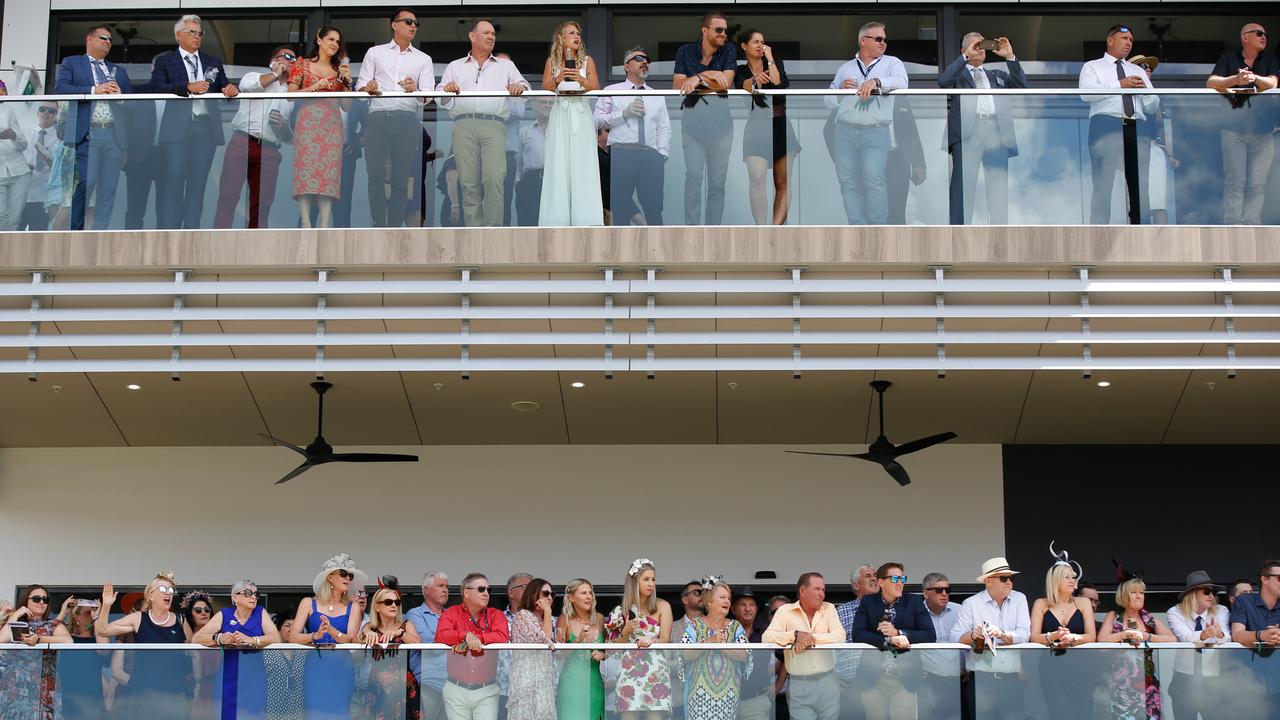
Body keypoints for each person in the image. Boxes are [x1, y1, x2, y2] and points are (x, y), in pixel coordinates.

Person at [438, 20, 529, 227]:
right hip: (463, 125)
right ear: (472, 36)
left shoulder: (506, 65)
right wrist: (447, 89)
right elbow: (440, 98)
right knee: (468, 182)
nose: (491, 37)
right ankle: (474, 231)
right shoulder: (455, 66)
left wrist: (518, 87)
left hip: (494, 125)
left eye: (493, 34)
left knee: (494, 178)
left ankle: (492, 231)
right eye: (486, 33)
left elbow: (524, 88)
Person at [151, 14, 238, 229]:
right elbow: (157, 87)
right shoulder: (166, 60)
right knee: (175, 177)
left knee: (198, 183)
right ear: (178, 35)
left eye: (200, 33)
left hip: (205, 128)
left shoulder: (212, 60)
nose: (197, 36)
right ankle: (171, 232)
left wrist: (230, 89)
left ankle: (191, 232)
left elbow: (224, 86)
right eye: (192, 32)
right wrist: (187, 87)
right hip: (177, 128)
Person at [356, 8, 434, 228]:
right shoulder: (375, 52)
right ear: (394, 25)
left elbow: (428, 96)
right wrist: (367, 87)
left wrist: (415, 89)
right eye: (408, 21)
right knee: (375, 174)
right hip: (378, 118)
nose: (413, 26)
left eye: (416, 23)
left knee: (402, 177)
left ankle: (395, 225)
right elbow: (361, 86)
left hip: (406, 119)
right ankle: (378, 222)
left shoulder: (423, 59)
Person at [51, 24, 132, 231]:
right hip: (88, 134)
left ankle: (99, 233)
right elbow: (60, 89)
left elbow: (133, 105)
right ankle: (76, 232)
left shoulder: (118, 71)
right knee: (85, 184)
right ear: (89, 39)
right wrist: (94, 90)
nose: (108, 42)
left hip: (114, 135)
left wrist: (121, 98)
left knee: (108, 189)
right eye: (103, 38)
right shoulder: (73, 63)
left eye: (110, 40)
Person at [937, 33, 1025, 225]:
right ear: (964, 50)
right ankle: (959, 234)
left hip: (996, 133)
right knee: (963, 187)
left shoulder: (997, 75)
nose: (981, 49)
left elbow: (1021, 85)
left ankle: (1000, 235)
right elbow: (943, 82)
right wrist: (965, 57)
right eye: (975, 45)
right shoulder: (959, 74)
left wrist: (1010, 57)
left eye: (982, 45)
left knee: (998, 188)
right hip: (969, 133)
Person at [828, 22, 908, 225]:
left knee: (874, 180)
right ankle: (857, 227)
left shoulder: (892, 63)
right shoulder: (845, 68)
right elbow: (826, 101)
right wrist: (839, 94)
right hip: (844, 131)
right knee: (848, 182)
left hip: (876, 130)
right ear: (864, 41)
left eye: (885, 40)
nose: (884, 43)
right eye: (879, 39)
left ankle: (877, 229)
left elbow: (902, 82)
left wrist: (876, 82)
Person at [1079, 24, 1156, 224]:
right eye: (1124, 38)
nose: (1129, 43)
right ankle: (1099, 229)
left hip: (1137, 126)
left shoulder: (1136, 69)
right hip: (1106, 125)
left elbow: (1153, 105)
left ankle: (1141, 227)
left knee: (1140, 183)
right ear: (1110, 40)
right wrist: (1119, 85)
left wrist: (1144, 93)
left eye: (1131, 39)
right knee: (1103, 181)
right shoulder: (1092, 66)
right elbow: (1085, 94)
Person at [213, 46, 296, 229]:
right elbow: (249, 86)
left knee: (262, 203)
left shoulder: (293, 92)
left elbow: (291, 138)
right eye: (288, 56)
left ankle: (256, 245)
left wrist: (282, 126)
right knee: (228, 195)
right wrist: (275, 74)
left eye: (295, 59)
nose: (292, 61)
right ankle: (219, 242)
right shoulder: (253, 76)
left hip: (270, 149)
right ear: (273, 60)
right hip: (242, 141)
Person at [1206, 23, 1278, 226]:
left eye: (1265, 33)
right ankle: (1233, 222)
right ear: (1245, 38)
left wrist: (1254, 78)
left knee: (1257, 183)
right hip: (1233, 129)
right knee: (1235, 181)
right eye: (1259, 33)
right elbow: (1212, 82)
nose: (1264, 36)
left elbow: (1273, 83)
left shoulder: (1270, 59)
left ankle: (1252, 222)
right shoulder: (1229, 58)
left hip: (1263, 131)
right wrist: (1235, 79)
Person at [95, 573, 195, 715]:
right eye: (162, 589)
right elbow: (102, 630)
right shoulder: (138, 618)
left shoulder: (181, 620)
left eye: (170, 590)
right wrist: (106, 605)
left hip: (174, 694)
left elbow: (195, 653)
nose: (168, 593)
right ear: (151, 596)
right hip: (143, 694)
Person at [673, 12, 737, 225]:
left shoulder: (728, 50)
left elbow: (724, 85)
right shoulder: (685, 51)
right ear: (705, 30)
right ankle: (692, 231)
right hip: (692, 128)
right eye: (719, 30)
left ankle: (713, 232)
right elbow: (678, 86)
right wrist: (707, 74)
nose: (723, 34)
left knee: (717, 185)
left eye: (725, 30)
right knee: (693, 179)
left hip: (722, 129)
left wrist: (696, 80)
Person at [537, 20, 603, 227]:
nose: (577, 37)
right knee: (559, 160)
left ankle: (586, 219)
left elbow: (597, 87)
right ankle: (557, 219)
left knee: (583, 161)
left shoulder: (587, 61)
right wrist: (559, 78)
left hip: (580, 111)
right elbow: (545, 87)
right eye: (572, 33)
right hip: (561, 112)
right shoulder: (552, 61)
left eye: (578, 34)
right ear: (561, 38)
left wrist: (581, 80)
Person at [595, 47, 668, 226]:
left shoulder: (656, 94)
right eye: (638, 58)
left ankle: (657, 251)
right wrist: (624, 114)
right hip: (621, 154)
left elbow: (664, 127)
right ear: (626, 66)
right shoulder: (611, 90)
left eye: (647, 59)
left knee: (654, 207)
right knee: (619, 207)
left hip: (650, 156)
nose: (645, 62)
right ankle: (623, 252)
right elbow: (596, 121)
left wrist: (662, 154)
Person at [851, 563, 934, 720]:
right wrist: (888, 640)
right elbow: (858, 634)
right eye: (895, 578)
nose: (900, 582)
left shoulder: (914, 601)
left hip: (904, 679)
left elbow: (930, 635)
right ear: (881, 582)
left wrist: (899, 633)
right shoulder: (869, 602)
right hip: (874, 678)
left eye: (902, 578)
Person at [288, 26, 352, 229]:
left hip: (332, 125)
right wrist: (315, 87)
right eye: (331, 39)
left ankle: (325, 223)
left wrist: (348, 83)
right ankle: (306, 222)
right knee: (306, 171)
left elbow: (346, 106)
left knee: (328, 175)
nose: (334, 44)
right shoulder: (303, 65)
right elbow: (290, 94)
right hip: (308, 123)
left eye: (337, 41)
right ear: (319, 40)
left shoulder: (338, 71)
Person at [951, 557, 1030, 720]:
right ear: (988, 581)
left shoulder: (1019, 598)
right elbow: (955, 637)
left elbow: (1025, 634)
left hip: (1011, 678)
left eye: (1010, 578)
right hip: (981, 680)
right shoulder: (971, 603)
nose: (1009, 582)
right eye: (1003, 578)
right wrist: (974, 635)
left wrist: (1001, 634)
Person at [289, 553, 366, 720]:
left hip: (342, 667)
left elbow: (351, 638)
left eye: (350, 576)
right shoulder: (308, 603)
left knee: (341, 712)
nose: (348, 579)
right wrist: (314, 635)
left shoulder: (352, 607)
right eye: (344, 574)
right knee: (315, 713)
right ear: (330, 578)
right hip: (315, 666)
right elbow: (293, 637)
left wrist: (332, 631)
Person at [192, 580, 281, 720]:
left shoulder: (260, 612)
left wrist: (252, 640)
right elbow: (197, 638)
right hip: (229, 675)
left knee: (254, 714)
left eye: (255, 594)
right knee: (227, 714)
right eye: (248, 593)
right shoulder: (224, 614)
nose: (253, 597)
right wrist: (219, 638)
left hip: (254, 676)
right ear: (235, 597)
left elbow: (276, 637)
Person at [737, 30, 800, 225]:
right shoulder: (740, 69)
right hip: (757, 125)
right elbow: (743, 85)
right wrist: (755, 80)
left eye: (762, 42)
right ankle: (761, 228)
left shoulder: (775, 62)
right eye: (755, 41)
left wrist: (770, 58)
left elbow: (777, 82)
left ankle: (776, 228)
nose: (760, 45)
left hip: (780, 124)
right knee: (756, 177)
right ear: (744, 46)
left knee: (782, 183)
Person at [763, 572, 845, 720]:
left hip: (828, 681)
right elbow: (766, 638)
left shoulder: (829, 608)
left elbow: (840, 637)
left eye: (823, 590)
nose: (822, 594)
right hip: (799, 684)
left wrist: (809, 639)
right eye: (817, 589)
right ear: (802, 591)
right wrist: (794, 635)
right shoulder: (784, 611)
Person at [1098, 573, 1176, 719]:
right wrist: (1124, 634)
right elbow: (1101, 641)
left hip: (1148, 685)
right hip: (1122, 686)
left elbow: (1173, 639)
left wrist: (1148, 636)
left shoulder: (1149, 619)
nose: (1139, 596)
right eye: (1134, 592)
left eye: (1141, 592)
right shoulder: (1114, 616)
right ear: (1123, 595)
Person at [1028, 554, 1096, 720]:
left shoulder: (1083, 602)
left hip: (1081, 665)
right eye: (1066, 577)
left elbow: (1091, 636)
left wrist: (1073, 638)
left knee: (1083, 711)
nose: (1072, 580)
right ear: (1055, 580)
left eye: (1073, 576)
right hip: (1051, 664)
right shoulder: (1041, 603)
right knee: (1057, 712)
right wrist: (1054, 636)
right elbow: (1033, 637)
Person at [605, 558, 674, 720]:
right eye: (646, 579)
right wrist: (626, 631)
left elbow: (665, 639)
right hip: (629, 671)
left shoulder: (663, 606)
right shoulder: (621, 611)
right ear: (634, 582)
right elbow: (611, 650)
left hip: (656, 670)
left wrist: (653, 641)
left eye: (653, 579)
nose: (651, 584)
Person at [436, 572, 511, 720]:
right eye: (481, 589)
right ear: (466, 592)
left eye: (488, 590)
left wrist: (476, 639)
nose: (486, 594)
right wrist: (465, 636)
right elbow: (441, 635)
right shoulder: (451, 613)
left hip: (487, 690)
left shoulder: (495, 614)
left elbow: (502, 637)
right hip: (455, 689)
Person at [681, 577, 750, 720]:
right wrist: (709, 642)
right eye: (722, 597)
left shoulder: (736, 626)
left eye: (729, 598)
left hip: (728, 695)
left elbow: (744, 655)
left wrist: (722, 646)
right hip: (699, 696)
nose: (727, 601)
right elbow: (685, 654)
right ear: (709, 602)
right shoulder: (695, 625)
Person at [0, 584, 72, 718]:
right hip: (15, 682)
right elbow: (0, 640)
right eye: (37, 598)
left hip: (43, 680)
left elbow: (68, 641)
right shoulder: (15, 623)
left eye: (45, 600)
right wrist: (15, 615)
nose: (41, 602)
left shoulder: (53, 624)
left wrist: (38, 639)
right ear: (25, 600)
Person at [1165, 571, 1230, 720]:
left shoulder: (1221, 610)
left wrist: (1218, 634)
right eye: (1207, 592)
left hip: (1213, 680)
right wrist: (1204, 635)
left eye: (1213, 592)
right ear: (1193, 594)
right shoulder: (1175, 612)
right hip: (1183, 680)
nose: (1211, 596)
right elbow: (1185, 637)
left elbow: (1227, 637)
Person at [359, 584, 422, 720]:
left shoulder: (406, 625)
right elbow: (354, 641)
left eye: (397, 602)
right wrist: (366, 632)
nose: (394, 605)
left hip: (403, 683)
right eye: (388, 602)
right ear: (377, 607)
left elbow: (418, 644)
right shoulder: (370, 627)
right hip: (378, 685)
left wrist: (401, 634)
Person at [1129, 55, 1177, 225]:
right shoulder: (1126, 93)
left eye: (1150, 67)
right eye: (1143, 66)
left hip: (1154, 148)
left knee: (1158, 201)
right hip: (1133, 148)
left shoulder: (1154, 96)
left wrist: (1169, 154)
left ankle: (1162, 244)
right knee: (1137, 200)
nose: (1148, 69)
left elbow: (1162, 126)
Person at [1229, 559, 1280, 716]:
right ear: (1264, 579)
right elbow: (1237, 635)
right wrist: (1261, 635)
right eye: (1279, 578)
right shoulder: (1244, 601)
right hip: (1249, 679)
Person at [556, 578, 606, 720]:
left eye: (590, 593)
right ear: (571, 597)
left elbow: (610, 649)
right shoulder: (563, 619)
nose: (589, 596)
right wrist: (577, 640)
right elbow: (559, 655)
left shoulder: (599, 618)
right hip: (572, 681)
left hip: (594, 680)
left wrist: (602, 654)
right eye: (583, 593)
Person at [507, 578, 557, 720]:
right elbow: (544, 640)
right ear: (533, 595)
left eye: (552, 595)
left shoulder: (543, 620)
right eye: (545, 593)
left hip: (543, 678)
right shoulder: (523, 615)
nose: (549, 598)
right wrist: (548, 612)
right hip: (527, 679)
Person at [835, 564, 878, 720]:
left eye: (875, 575)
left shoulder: (892, 608)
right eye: (868, 576)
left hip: (882, 685)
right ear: (855, 585)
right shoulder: (840, 611)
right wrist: (833, 677)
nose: (874, 578)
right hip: (849, 685)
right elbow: (832, 647)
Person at [918, 573, 961, 720]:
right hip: (929, 680)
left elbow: (970, 638)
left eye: (947, 590)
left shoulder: (960, 610)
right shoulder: (916, 612)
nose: (944, 594)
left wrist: (967, 664)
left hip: (958, 681)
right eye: (939, 590)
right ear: (925, 593)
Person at [408, 571, 450, 720]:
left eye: (447, 586)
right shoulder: (415, 614)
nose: (445, 589)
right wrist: (455, 638)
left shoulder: (451, 615)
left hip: (453, 685)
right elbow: (427, 642)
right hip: (428, 684)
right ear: (426, 590)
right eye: (440, 586)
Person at [56, 596, 108, 717]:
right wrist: (63, 612)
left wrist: (97, 618)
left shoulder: (98, 640)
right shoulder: (66, 639)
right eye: (88, 612)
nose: (91, 614)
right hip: (68, 696)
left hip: (92, 697)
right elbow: (48, 632)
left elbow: (105, 650)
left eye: (93, 611)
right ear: (76, 617)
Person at [19, 100, 60, 231]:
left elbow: (61, 169)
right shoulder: (24, 134)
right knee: (14, 233)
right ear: (38, 113)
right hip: (21, 193)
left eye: (51, 111)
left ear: (56, 115)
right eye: (43, 109)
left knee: (37, 236)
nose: (46, 113)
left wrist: (49, 160)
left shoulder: (60, 138)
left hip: (43, 195)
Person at [671, 580, 707, 720]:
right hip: (679, 698)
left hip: (708, 697)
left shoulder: (714, 627)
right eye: (697, 593)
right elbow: (665, 665)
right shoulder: (672, 628)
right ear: (685, 599)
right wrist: (690, 657)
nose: (702, 596)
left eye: (704, 593)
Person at [182, 590, 220, 716]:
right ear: (190, 615)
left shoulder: (220, 639)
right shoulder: (186, 642)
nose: (203, 612)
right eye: (198, 610)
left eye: (207, 609)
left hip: (217, 690)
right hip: (194, 691)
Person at [515, 97, 552, 225]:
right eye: (543, 102)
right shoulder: (524, 133)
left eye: (551, 103)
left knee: (554, 225)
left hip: (554, 182)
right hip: (530, 182)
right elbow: (517, 163)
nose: (547, 105)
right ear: (534, 105)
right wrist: (518, 183)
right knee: (528, 223)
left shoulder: (562, 131)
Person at [265, 612, 307, 720]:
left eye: (295, 627)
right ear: (278, 629)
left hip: (298, 710)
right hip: (273, 710)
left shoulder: (304, 652)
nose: (291, 630)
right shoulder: (269, 651)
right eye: (287, 625)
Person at [0, 97, 30, 232]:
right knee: (1, 218)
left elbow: (23, 144)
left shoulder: (7, 109)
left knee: (14, 221)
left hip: (19, 171)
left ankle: (10, 252)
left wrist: (14, 137)